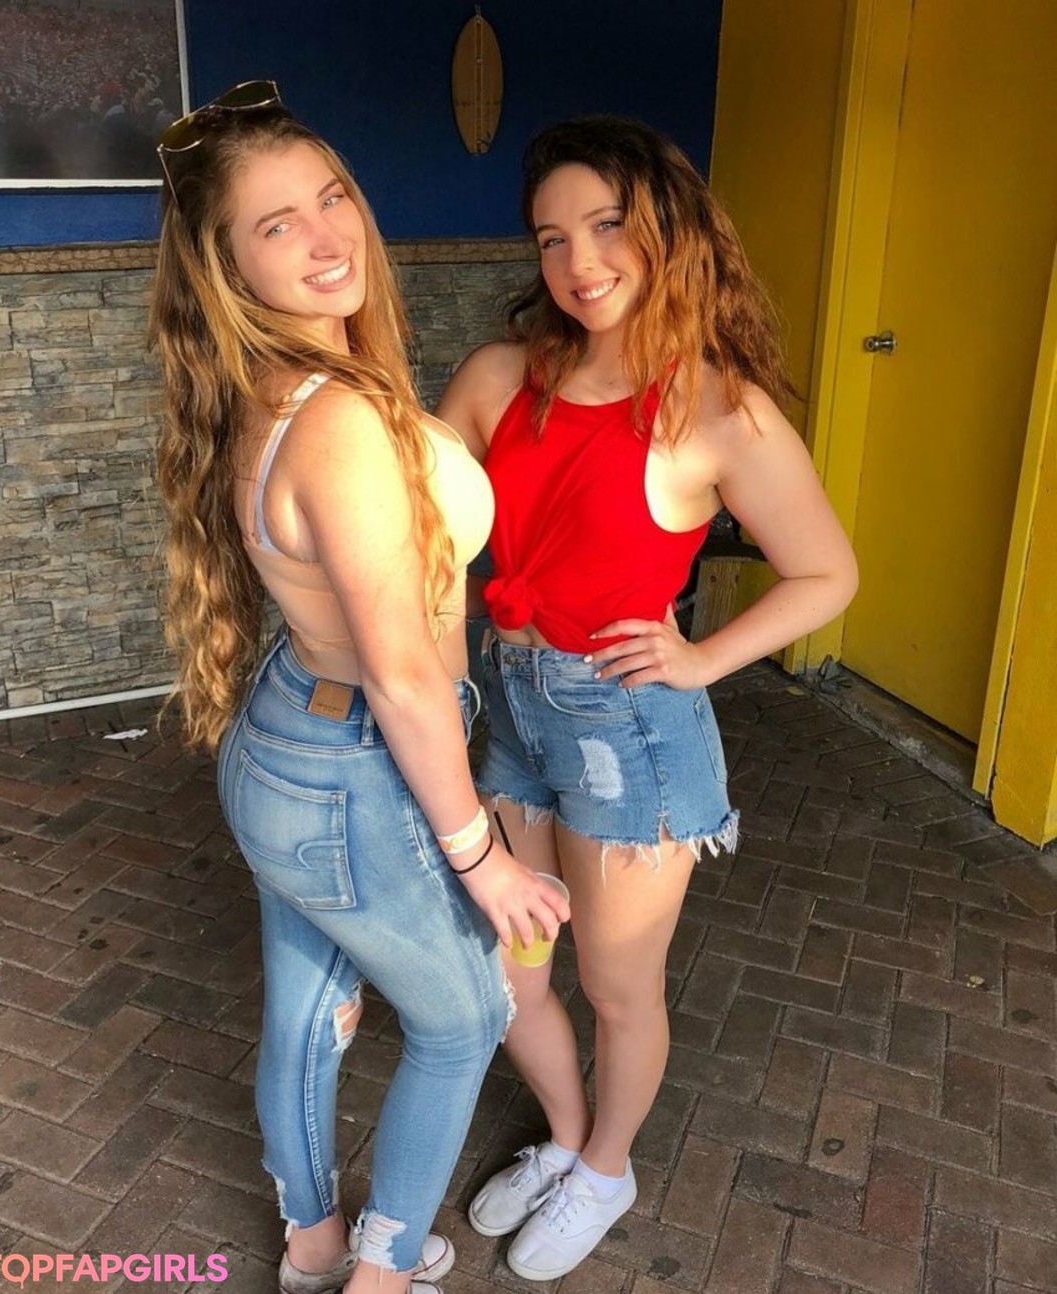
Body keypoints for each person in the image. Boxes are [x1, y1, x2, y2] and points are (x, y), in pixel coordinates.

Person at [149, 82, 569, 1294]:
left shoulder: (283, 386)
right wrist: (482, 856)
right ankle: (379, 1279)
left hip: (292, 738)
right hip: (357, 762)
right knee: (466, 1017)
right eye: (277, 223)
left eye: (331, 196)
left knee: (306, 1008)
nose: (328, 235)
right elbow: (400, 670)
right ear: (228, 265)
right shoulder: (335, 418)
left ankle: (313, 1246)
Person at [436, 114, 858, 1280]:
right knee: (513, 963)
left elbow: (828, 572)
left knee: (615, 985)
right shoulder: (499, 377)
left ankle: (608, 1168)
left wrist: (702, 658)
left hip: (629, 736)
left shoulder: (719, 408)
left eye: (608, 225)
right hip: (514, 710)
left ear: (668, 227)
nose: (579, 261)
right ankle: (568, 1138)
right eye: (551, 237)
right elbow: (408, 501)